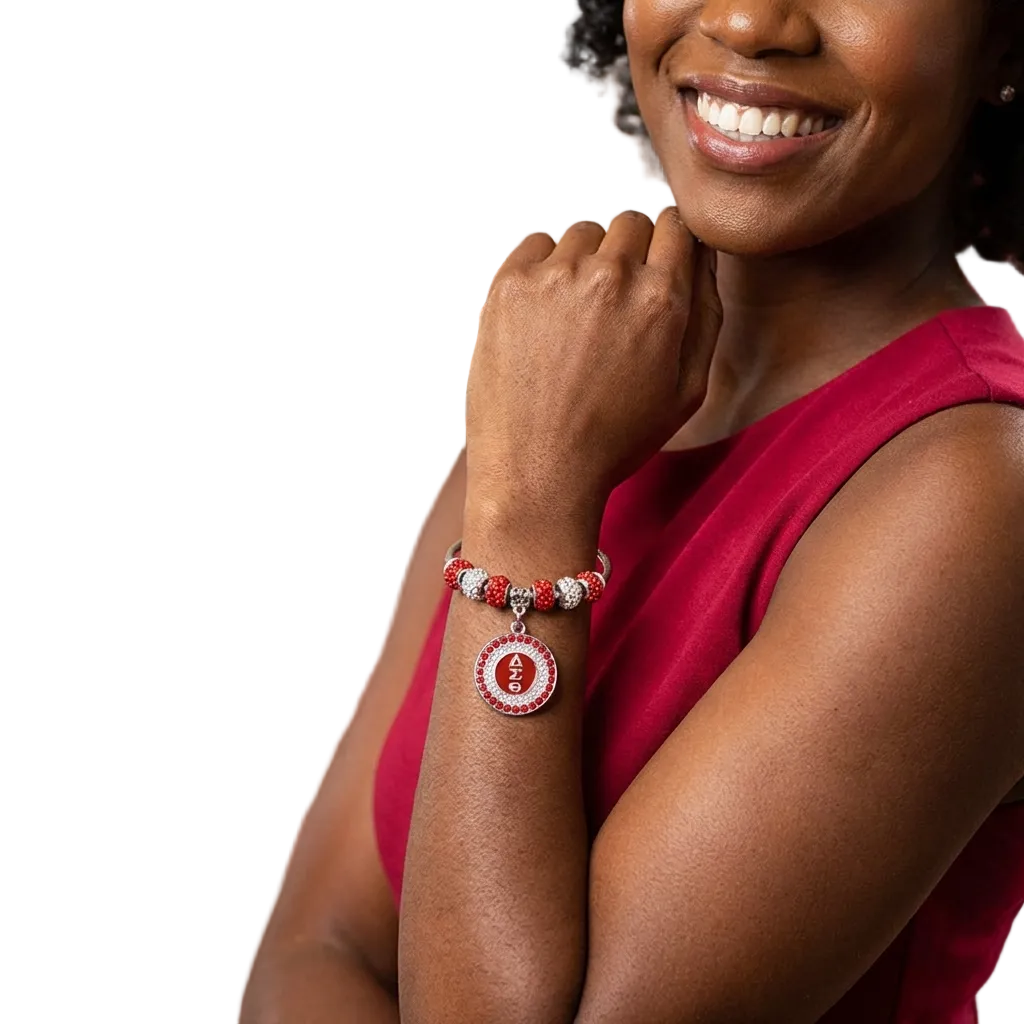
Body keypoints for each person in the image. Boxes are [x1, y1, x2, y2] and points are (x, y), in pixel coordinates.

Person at [241, 2, 1024, 1021]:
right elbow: (317, 950)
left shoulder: (974, 496)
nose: (748, 20)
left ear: (1004, 37)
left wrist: (529, 519)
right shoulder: (568, 407)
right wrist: (535, 473)